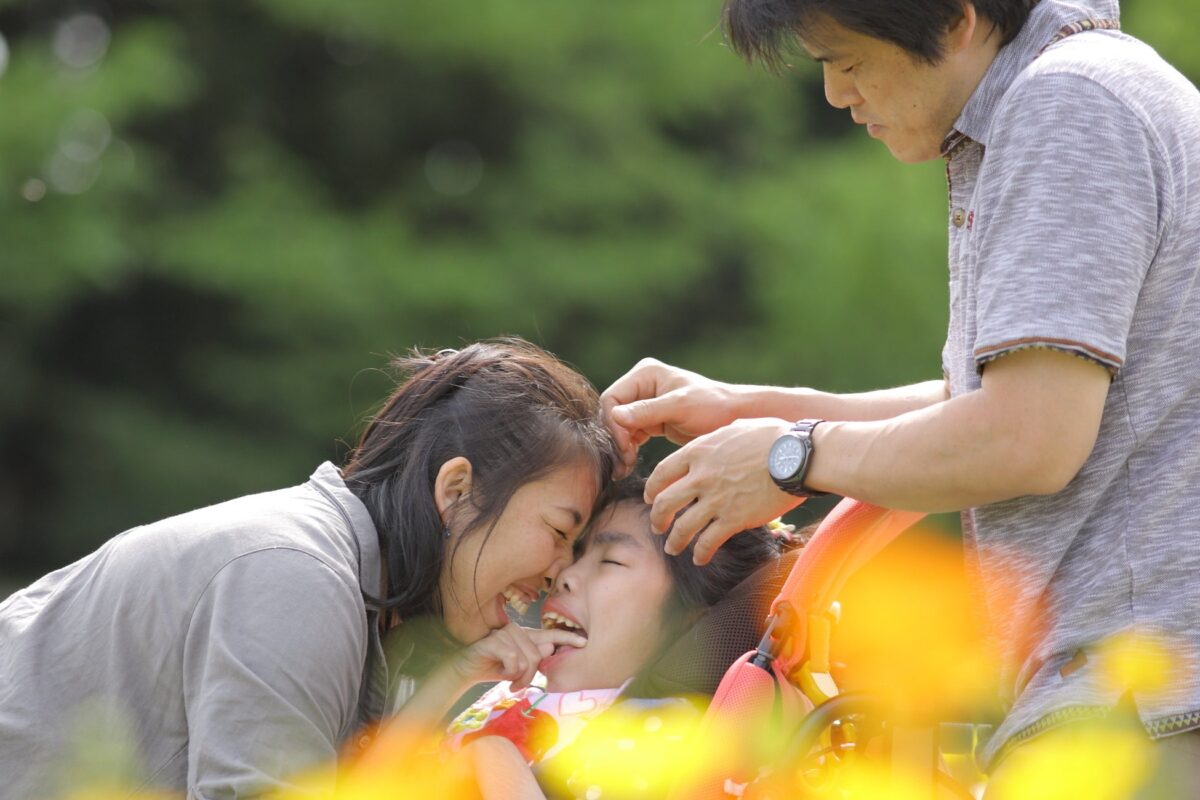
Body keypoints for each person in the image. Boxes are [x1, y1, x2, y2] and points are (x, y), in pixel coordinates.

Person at [601, 0, 1200, 793]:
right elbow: (991, 405)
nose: (835, 94)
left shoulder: (1067, 104)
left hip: (1143, 708)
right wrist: (755, 412)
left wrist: (790, 457)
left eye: (846, 61)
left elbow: (1028, 438)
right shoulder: (1080, 91)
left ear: (954, 19)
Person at [0, 338, 617, 798]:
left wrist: (443, 686)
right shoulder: (296, 580)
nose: (558, 572)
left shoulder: (343, 588)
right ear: (456, 491)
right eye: (560, 532)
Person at [432, 476, 797, 799]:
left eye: (611, 561)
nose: (564, 576)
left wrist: (491, 755)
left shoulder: (663, 736)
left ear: (690, 622)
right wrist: (455, 676)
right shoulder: (524, 690)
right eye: (576, 554)